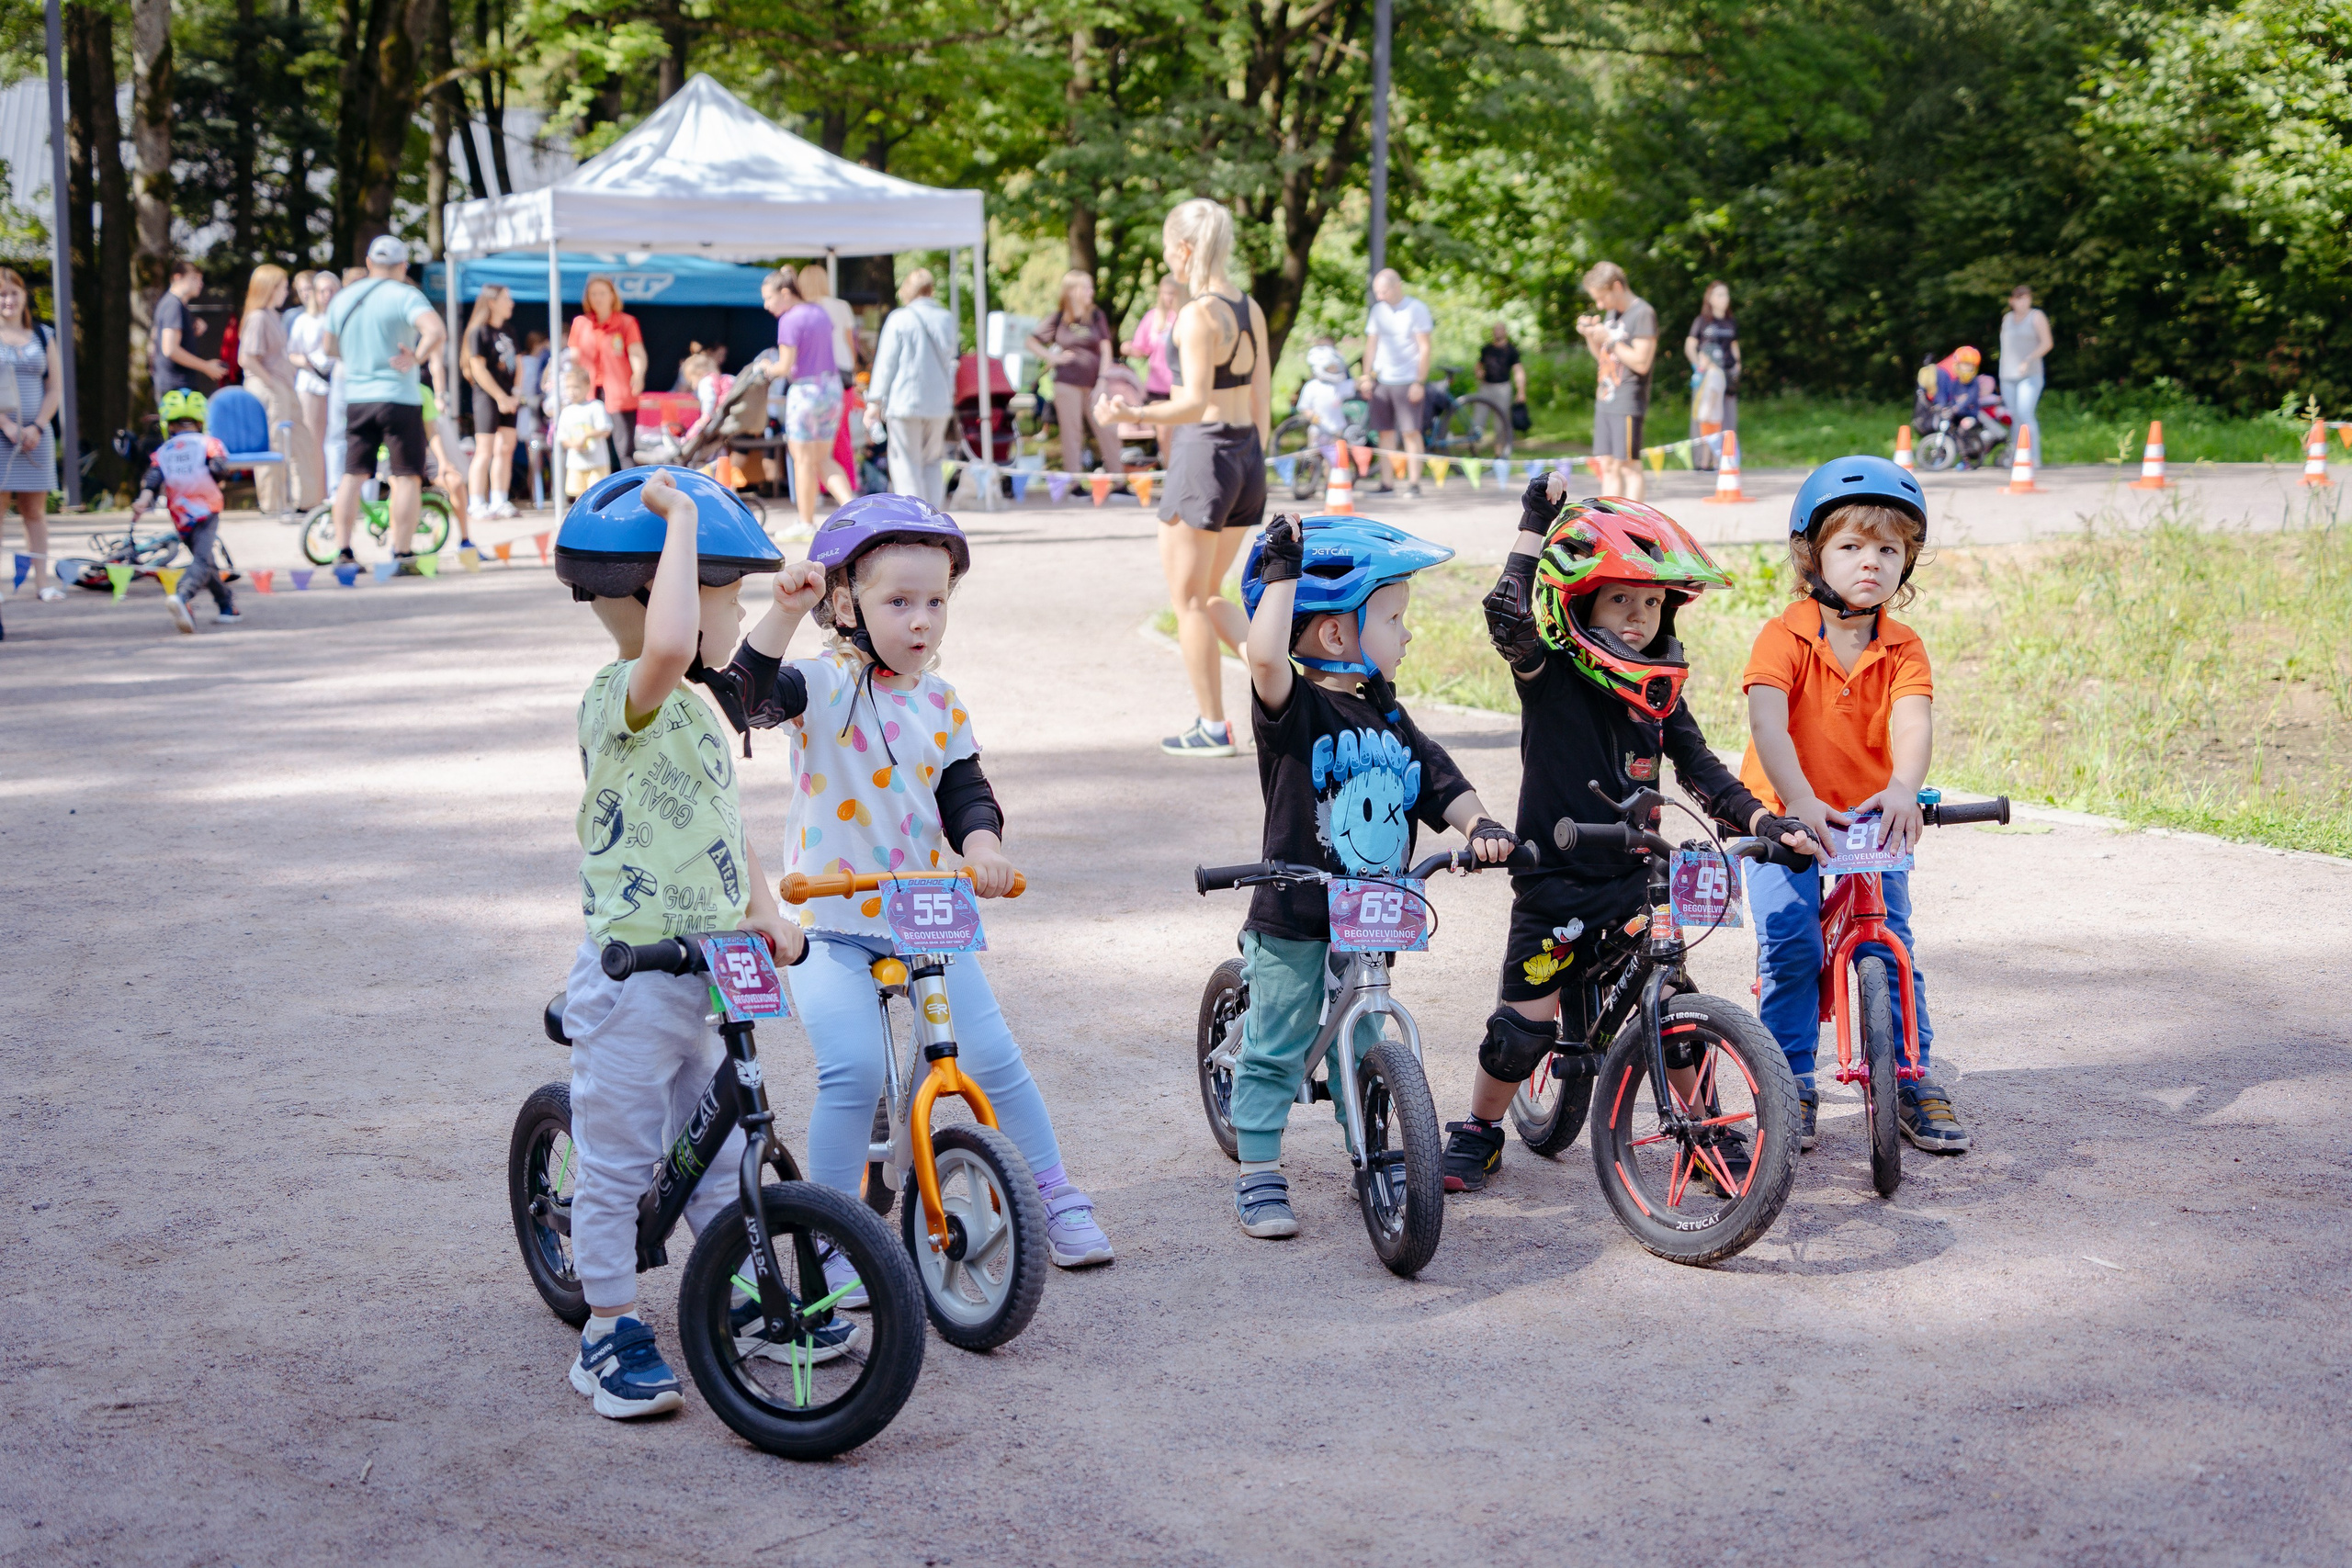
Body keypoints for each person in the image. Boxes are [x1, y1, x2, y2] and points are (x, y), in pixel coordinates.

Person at [724, 493, 1116, 1279]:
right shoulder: (824, 684)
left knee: (994, 1056)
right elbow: (749, 696)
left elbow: (966, 791)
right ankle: (833, 1239)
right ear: (846, 604)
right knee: (854, 1069)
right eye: (898, 601)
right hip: (829, 917)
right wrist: (781, 615)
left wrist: (982, 845)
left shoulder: (942, 702)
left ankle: (1053, 1191)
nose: (921, 621)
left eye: (935, 601)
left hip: (925, 912)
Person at [1440, 477, 1811, 1193]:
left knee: (1676, 1008)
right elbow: (1507, 612)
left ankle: (1702, 1126)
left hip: (1635, 881)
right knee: (1521, 1033)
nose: (1639, 617)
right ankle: (1481, 1127)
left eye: (1651, 601)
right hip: (1555, 883)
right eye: (1621, 599)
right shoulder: (1550, 676)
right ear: (1581, 603)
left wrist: (1763, 819)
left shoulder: (1658, 689)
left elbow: (1701, 767)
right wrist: (1533, 520)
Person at [549, 465, 808, 1420]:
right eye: (720, 598)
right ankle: (607, 1326)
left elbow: (718, 824)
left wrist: (767, 909)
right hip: (633, 974)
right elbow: (668, 640)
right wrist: (681, 516)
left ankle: (741, 1286)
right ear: (646, 590)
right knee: (617, 1159)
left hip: (703, 966)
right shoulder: (625, 692)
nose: (730, 622)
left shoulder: (696, 710)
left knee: (720, 1142)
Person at [1222, 512, 1516, 1238]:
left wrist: (1478, 825)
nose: (1407, 633)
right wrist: (1284, 571)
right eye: (1392, 617)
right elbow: (1263, 660)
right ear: (1336, 634)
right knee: (1277, 1040)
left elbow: (1438, 779)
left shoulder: (1389, 713)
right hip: (1296, 908)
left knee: (1366, 1036)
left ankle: (1373, 1152)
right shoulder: (1296, 709)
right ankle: (1259, 1170)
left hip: (1371, 910)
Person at [1739, 456, 1967, 1155]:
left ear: (1908, 560)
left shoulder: (1903, 646)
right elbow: (1767, 722)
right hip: (1783, 813)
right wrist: (1800, 799)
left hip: (1869, 817)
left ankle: (1909, 1073)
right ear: (1811, 555)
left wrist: (1903, 787)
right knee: (1793, 942)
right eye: (1850, 546)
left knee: (1890, 935)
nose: (1870, 562)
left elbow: (1912, 721)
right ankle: (1791, 1081)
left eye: (1888, 549)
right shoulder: (1785, 635)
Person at [1094, 197, 1271, 761]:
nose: (1166, 256)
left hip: (1205, 456)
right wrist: (1252, 458)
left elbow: (1193, 403)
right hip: (1246, 455)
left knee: (1189, 600)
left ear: (1186, 248)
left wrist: (1129, 416)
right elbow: (1261, 397)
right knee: (1208, 594)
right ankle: (1289, 679)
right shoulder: (1249, 308)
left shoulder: (1197, 314)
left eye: (1169, 245)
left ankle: (1212, 726)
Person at [323, 234, 447, 570]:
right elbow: (436, 330)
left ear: (368, 263)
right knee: (407, 476)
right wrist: (416, 356)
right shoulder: (406, 295)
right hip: (398, 397)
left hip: (358, 397)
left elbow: (328, 349)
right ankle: (401, 552)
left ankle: (344, 551)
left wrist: (360, 356)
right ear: (403, 266)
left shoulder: (343, 298)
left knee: (352, 475)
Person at [130, 389, 237, 634]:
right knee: (202, 560)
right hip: (207, 509)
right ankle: (182, 595)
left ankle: (226, 604)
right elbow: (220, 467)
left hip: (180, 515)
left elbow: (153, 478)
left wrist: (142, 501)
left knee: (205, 560)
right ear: (201, 422)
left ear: (169, 424)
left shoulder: (165, 451)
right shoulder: (209, 442)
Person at [766, 269, 854, 532]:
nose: (766, 305)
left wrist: (765, 369)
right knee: (823, 458)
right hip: (831, 389)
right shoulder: (819, 313)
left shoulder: (789, 320)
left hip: (805, 393)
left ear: (784, 293)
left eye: (769, 298)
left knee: (802, 460)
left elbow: (784, 366)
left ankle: (805, 522)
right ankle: (854, 510)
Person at [864, 267, 958, 507]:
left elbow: (886, 363)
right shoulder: (946, 318)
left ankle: (914, 519)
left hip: (905, 402)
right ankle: (934, 517)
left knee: (906, 464)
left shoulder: (900, 318)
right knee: (933, 462)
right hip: (939, 403)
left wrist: (874, 402)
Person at [0, 269, 65, 603]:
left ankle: (42, 582)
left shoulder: (42, 334)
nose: (7, 300)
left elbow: (54, 388)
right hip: (2, 437)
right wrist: (7, 425)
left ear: (24, 296)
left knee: (35, 512)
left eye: (13, 293)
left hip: (35, 437)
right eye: (1, 294)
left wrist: (37, 426)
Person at [1027, 270, 1125, 480]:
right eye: (1087, 287)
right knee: (1072, 434)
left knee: (1107, 429)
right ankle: (1075, 483)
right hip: (1067, 383)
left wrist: (1102, 381)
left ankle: (1118, 481)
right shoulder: (1059, 318)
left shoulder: (1096, 315)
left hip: (1095, 384)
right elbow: (1031, 341)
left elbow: (1106, 350)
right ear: (1073, 290)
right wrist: (1053, 358)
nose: (1092, 292)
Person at [238, 265, 318, 512]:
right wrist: (271, 383)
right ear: (270, 288)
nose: (287, 292)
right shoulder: (258, 317)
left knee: (301, 440)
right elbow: (247, 357)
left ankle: (306, 500)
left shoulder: (273, 315)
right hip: (269, 387)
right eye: (283, 287)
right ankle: (273, 505)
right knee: (274, 445)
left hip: (284, 386)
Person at [1577, 262, 1657, 502]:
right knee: (1608, 467)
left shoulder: (1643, 313)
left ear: (1617, 287)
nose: (1600, 305)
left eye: (1602, 298)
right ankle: (1611, 525)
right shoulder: (1613, 314)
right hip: (1605, 400)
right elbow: (1603, 357)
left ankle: (1635, 527)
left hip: (1627, 401)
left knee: (1629, 467)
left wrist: (1610, 340)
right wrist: (1592, 336)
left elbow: (1642, 362)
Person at [1360, 268, 1432, 494]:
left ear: (1397, 286)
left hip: (1408, 379)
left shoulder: (1416, 309)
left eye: (1384, 291)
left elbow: (1425, 347)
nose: (1380, 296)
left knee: (1411, 432)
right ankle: (1386, 483)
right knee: (1384, 433)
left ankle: (1414, 484)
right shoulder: (1378, 311)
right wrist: (1366, 376)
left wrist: (1419, 381)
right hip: (1382, 379)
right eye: (1377, 292)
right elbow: (1371, 345)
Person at [568, 275, 645, 471]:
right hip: (587, 392)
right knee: (589, 445)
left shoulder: (626, 322)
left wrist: (638, 373)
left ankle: (630, 491)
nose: (598, 298)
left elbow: (636, 352)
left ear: (612, 296)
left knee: (624, 448)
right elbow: (572, 357)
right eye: (593, 294)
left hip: (618, 391)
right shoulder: (580, 323)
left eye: (602, 293)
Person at [462, 284, 522, 520]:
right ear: (492, 302)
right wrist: (499, 396)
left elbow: (519, 363)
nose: (511, 304)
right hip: (487, 396)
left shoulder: (508, 330)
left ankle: (500, 499)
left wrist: (515, 393)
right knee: (484, 450)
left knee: (505, 448)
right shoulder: (479, 331)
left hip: (509, 396)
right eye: (506, 299)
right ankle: (476, 502)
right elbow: (477, 368)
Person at [1124, 275, 1186, 466]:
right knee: (1164, 434)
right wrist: (1129, 349)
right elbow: (1141, 348)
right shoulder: (1152, 318)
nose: (1169, 298)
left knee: (1182, 433)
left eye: (1173, 294)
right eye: (1166, 293)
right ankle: (1169, 474)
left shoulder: (1186, 317)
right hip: (1158, 387)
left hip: (1182, 385)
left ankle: (1183, 472)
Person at [288, 268, 338, 502]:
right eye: (322, 291)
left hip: (338, 383)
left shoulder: (341, 317)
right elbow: (292, 353)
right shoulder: (304, 320)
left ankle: (336, 492)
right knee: (314, 441)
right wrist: (310, 364)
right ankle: (316, 496)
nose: (326, 295)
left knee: (336, 440)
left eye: (331, 290)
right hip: (311, 383)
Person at [1684, 281, 1740, 463]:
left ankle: (1724, 461)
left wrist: (1738, 366)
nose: (1725, 299)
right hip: (1708, 378)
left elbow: (1734, 345)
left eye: (1726, 294)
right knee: (1704, 418)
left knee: (1727, 418)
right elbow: (1690, 346)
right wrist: (1698, 367)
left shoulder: (1731, 322)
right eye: (1720, 295)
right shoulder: (1702, 321)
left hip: (1727, 376)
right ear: (1710, 298)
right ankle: (1702, 462)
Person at [1999, 286, 2052, 469]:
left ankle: (2034, 458)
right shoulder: (2007, 319)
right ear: (2012, 301)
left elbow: (2047, 343)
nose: (2024, 302)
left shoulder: (2036, 317)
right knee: (2014, 417)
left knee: (2025, 413)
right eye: (2020, 298)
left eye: (2027, 298)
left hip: (2030, 374)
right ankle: (2017, 456)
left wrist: (2029, 359)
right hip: (2007, 375)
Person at [152, 261, 225, 395]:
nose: (200, 283)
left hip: (176, 386)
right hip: (176, 389)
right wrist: (206, 366)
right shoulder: (173, 305)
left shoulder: (175, 304)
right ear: (177, 278)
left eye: (201, 279)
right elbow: (170, 349)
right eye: (194, 278)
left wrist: (191, 328)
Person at [1468, 321, 1528, 459]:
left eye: (1500, 329)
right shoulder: (1487, 349)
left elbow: (1518, 370)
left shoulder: (1511, 350)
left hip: (1502, 387)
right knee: (1478, 419)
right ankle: (1474, 450)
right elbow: (1478, 365)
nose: (1497, 332)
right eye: (1495, 329)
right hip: (1485, 387)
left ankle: (1499, 453)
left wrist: (1521, 391)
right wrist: (1479, 372)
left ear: (1505, 331)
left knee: (1500, 422)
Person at [797, 264, 864, 380]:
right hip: (842, 362)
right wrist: (853, 363)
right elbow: (850, 340)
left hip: (812, 367)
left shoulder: (799, 310)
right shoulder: (842, 305)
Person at [556, 365, 613, 498]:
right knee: (579, 497)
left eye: (576, 387)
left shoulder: (595, 406)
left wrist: (586, 436)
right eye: (568, 387)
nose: (572, 391)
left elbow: (605, 429)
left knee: (597, 495)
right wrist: (573, 444)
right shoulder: (566, 411)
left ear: (587, 386)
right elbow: (562, 437)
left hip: (597, 463)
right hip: (576, 464)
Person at [515, 331, 548, 507]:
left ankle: (539, 498)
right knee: (534, 459)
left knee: (536, 460)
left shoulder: (538, 362)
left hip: (538, 420)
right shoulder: (530, 363)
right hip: (531, 421)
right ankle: (537, 498)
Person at [1295, 343, 1351, 444]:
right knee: (1315, 455)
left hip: (1337, 430)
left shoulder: (1339, 385)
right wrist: (1311, 415)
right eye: (1331, 368)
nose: (1335, 370)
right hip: (1318, 430)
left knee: (1335, 455)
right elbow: (1304, 407)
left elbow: (1355, 385)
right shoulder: (1311, 386)